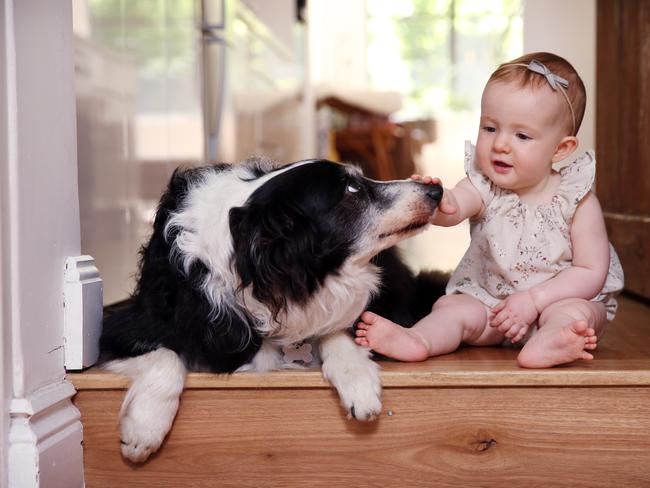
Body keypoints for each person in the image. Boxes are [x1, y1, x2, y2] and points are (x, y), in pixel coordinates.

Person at [355, 52, 624, 368]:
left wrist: (534, 301)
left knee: (581, 313)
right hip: (488, 306)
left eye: (521, 135)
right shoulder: (484, 185)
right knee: (451, 309)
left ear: (560, 148)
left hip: (552, 304)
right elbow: (455, 208)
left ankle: (551, 341)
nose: (501, 145)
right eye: (490, 128)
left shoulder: (577, 200)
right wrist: (439, 202)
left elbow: (591, 272)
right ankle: (419, 339)